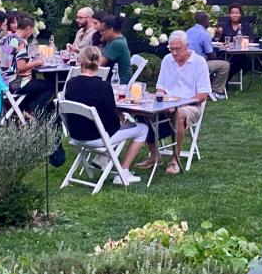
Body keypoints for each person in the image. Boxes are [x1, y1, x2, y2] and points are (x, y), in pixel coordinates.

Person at [63, 46, 149, 185]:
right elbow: (112, 120)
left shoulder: (71, 83)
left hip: (76, 135)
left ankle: (103, 157)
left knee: (112, 125)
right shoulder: (103, 87)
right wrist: (122, 120)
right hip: (97, 137)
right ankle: (124, 172)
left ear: (80, 61)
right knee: (143, 129)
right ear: (98, 62)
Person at [136, 31, 211, 175]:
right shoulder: (167, 60)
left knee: (178, 114)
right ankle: (154, 155)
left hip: (191, 105)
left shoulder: (199, 62)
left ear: (187, 46)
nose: (174, 53)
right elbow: (160, 87)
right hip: (167, 103)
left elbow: (203, 94)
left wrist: (178, 105)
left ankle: (175, 159)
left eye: (178, 49)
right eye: (172, 49)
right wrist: (159, 99)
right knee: (141, 111)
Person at [4, 15, 55, 115]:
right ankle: (33, 112)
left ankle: (20, 108)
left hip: (4, 80)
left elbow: (0, 56)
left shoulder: (6, 39)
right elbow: (21, 67)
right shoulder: (21, 43)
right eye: (32, 30)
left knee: (37, 84)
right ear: (28, 28)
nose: (32, 33)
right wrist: (36, 63)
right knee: (51, 86)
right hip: (16, 83)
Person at [186, 11, 229, 99]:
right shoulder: (204, 34)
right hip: (198, 65)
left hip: (186, 63)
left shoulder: (188, 31)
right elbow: (210, 55)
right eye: (208, 20)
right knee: (225, 65)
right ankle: (215, 91)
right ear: (205, 21)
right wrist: (218, 57)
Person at [219, 3, 255, 82]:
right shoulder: (224, 26)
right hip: (226, 53)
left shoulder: (246, 26)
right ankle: (223, 81)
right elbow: (219, 41)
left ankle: (224, 81)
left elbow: (251, 39)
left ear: (240, 14)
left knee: (242, 60)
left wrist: (245, 41)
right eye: (233, 13)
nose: (235, 15)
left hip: (241, 53)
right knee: (232, 61)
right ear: (229, 14)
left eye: (237, 13)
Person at [99, 15, 133, 85]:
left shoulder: (116, 43)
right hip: (116, 78)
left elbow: (100, 64)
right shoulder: (118, 39)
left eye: (102, 30)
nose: (100, 33)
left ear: (111, 29)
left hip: (119, 81)